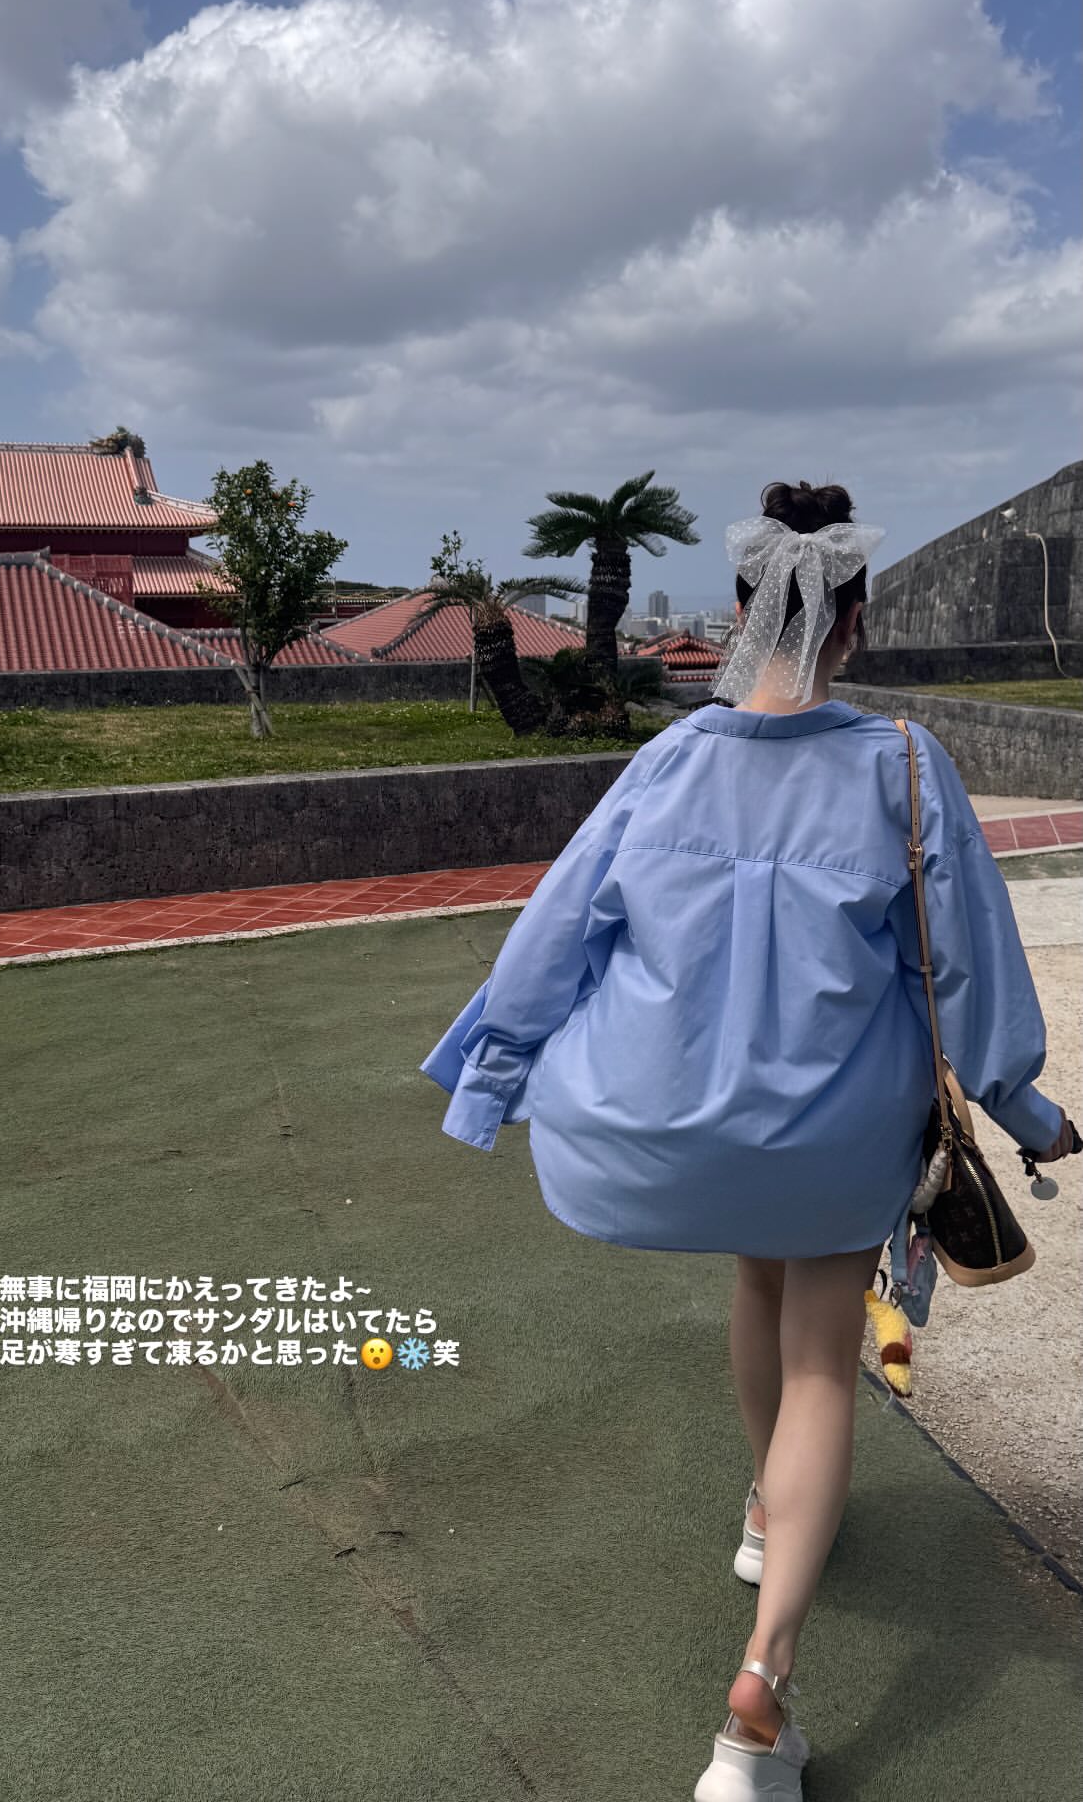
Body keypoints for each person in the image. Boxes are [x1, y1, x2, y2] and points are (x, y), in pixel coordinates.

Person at [419, 478, 1073, 1800]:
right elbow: (971, 970)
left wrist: (491, 1080)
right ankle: (760, 1700)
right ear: (854, 624)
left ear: (741, 610)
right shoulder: (902, 764)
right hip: (831, 1127)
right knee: (826, 1359)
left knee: (754, 1282)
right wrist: (1026, 1109)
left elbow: (556, 933)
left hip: (672, 1120)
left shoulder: (668, 761)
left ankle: (769, 1516)